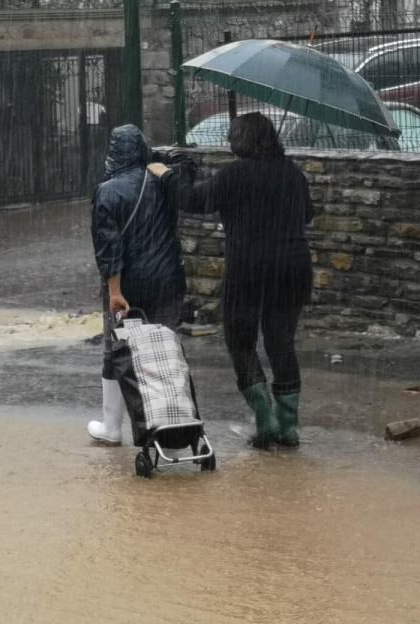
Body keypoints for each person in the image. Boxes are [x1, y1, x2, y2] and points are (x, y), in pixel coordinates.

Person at [150, 112, 313, 448]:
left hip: (249, 271)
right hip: (293, 270)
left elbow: (194, 200)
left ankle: (264, 417)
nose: (228, 141)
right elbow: (308, 214)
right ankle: (288, 427)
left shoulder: (236, 174)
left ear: (243, 140)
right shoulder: (293, 174)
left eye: (232, 135)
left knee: (241, 342)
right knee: (281, 343)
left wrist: (168, 176)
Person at [87, 124, 190, 445]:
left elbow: (109, 246)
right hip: (167, 279)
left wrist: (115, 291)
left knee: (118, 351)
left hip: (128, 286)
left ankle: (112, 427)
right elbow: (189, 175)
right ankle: (173, 428)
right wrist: (160, 160)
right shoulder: (162, 180)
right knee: (165, 351)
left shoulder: (108, 191)